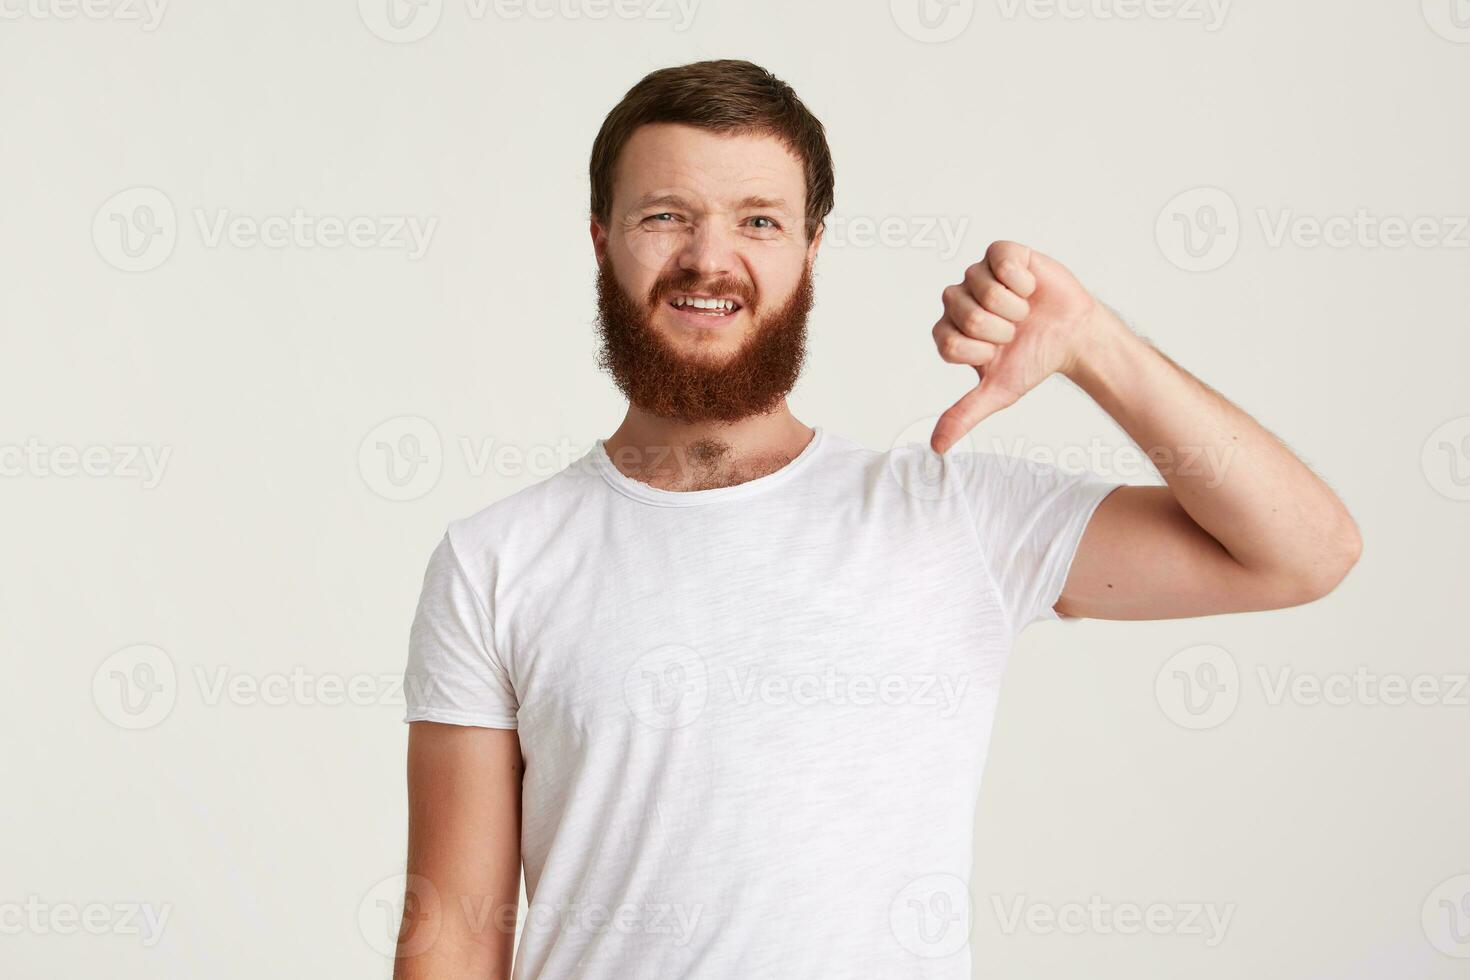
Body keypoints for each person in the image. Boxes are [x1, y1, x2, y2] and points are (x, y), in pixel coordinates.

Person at [393, 59, 1360, 980]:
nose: (709, 257)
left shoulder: (949, 518)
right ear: (601, 237)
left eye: (759, 220)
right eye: (664, 215)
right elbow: (452, 936)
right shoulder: (495, 560)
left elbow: (1303, 554)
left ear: (811, 250)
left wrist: (1093, 345)